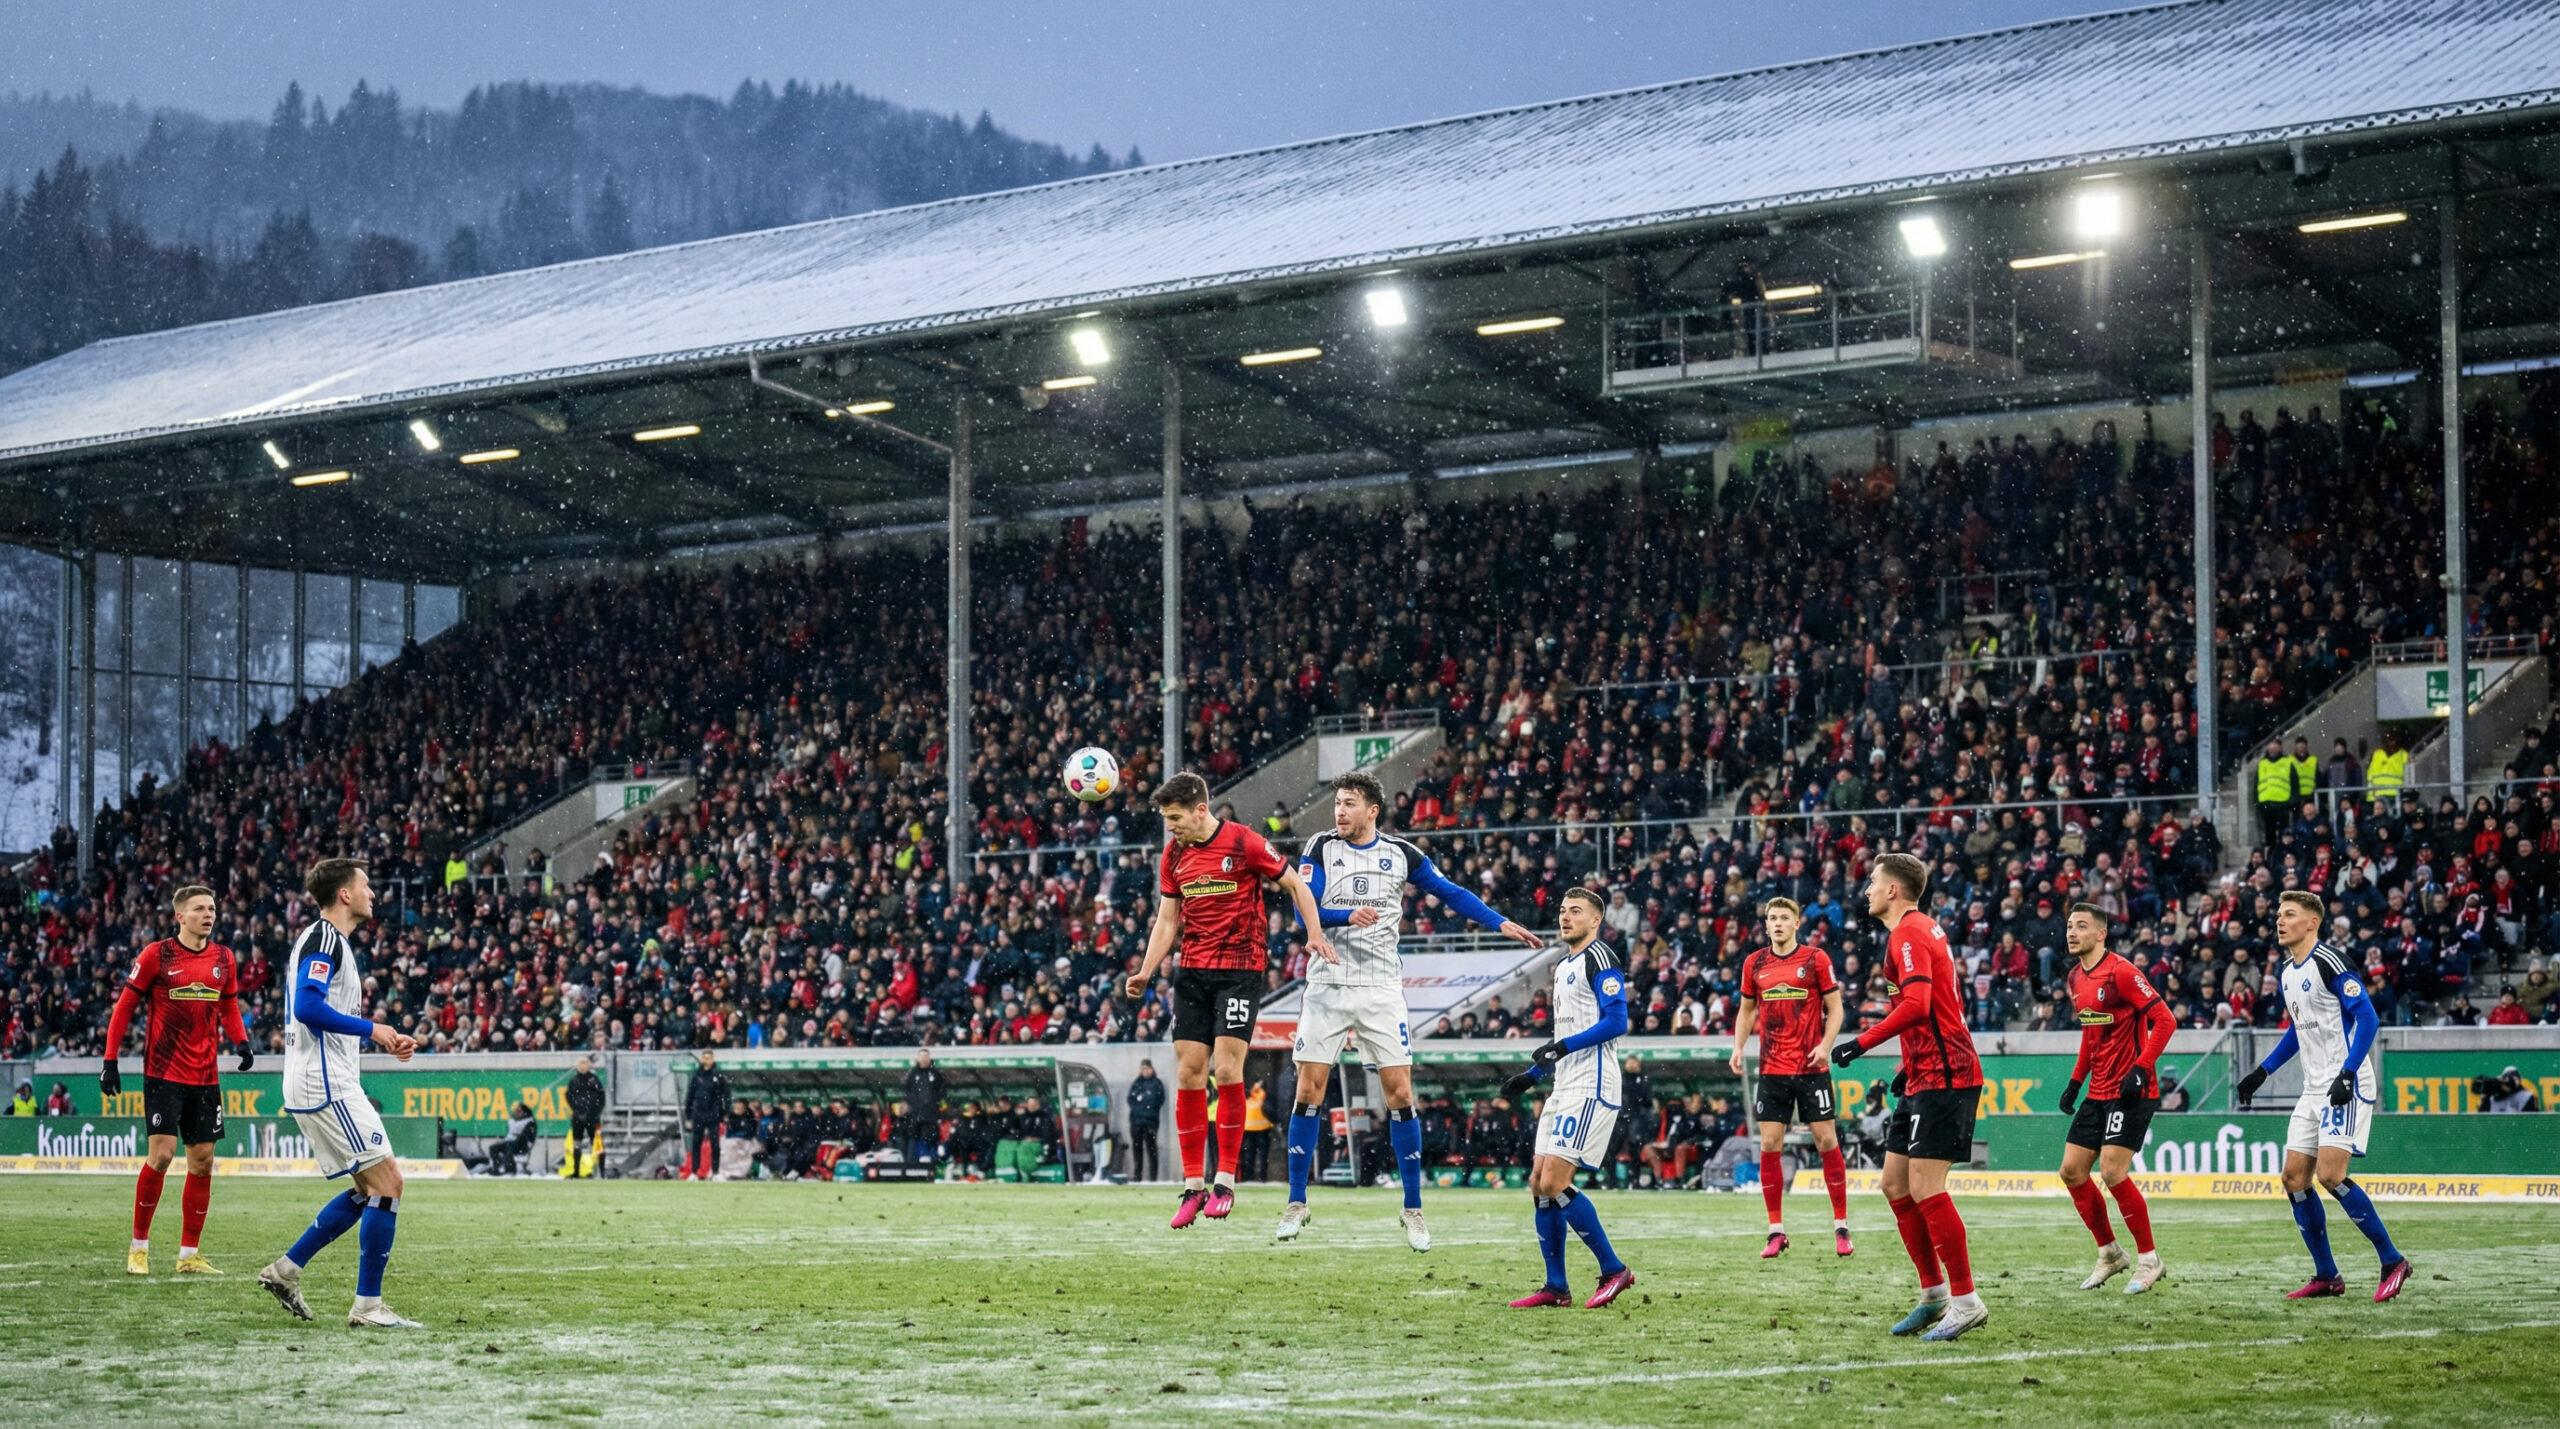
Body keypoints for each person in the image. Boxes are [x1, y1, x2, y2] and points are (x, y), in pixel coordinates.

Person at [1277, 772, 1540, 1249]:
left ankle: (1413, 1209)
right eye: (1337, 803)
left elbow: (1452, 893)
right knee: (1309, 1088)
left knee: (1399, 1094)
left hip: (1381, 988)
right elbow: (1303, 911)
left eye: (1349, 804)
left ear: (1372, 810)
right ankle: (1297, 1202)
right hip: (1328, 983)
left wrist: (1501, 923)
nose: (1339, 811)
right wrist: (1343, 916)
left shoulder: (1402, 854)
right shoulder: (1319, 846)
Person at [1123, 770, 1335, 1229]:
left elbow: (1295, 883)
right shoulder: (1174, 854)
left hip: (1240, 970)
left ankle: (1225, 1181)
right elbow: (1166, 921)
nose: (1171, 827)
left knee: (1227, 1068)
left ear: (1201, 809)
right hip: (1193, 971)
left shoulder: (1245, 843)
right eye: (1166, 819)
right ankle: (1192, 1186)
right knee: (1187, 1071)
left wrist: (1313, 932)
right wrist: (1146, 968)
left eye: (1175, 817)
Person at [255, 857, 424, 1329]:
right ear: (345, 894)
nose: (373, 893)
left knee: (365, 1190)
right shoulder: (326, 938)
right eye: (366, 885)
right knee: (388, 1184)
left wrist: (379, 1039)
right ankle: (368, 1306)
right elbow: (308, 1007)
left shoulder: (329, 942)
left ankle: (286, 1270)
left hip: (320, 1078)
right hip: (325, 1082)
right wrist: (376, 1029)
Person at [1832, 850, 1989, 1342]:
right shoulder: (1920, 931)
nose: (1868, 890)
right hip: (1925, 1072)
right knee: (1895, 1185)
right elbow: (1936, 1006)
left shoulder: (1908, 933)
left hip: (1948, 1075)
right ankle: (1934, 1295)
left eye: (1873, 882)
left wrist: (1861, 1043)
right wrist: (1906, 1065)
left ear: (1893, 890)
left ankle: (1966, 1301)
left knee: (1927, 1188)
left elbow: (1919, 1006)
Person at [2234, 890, 2412, 1303]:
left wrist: (2348, 1073)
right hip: (2314, 1088)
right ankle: (2327, 1275)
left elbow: (2367, 1017)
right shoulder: (2287, 972)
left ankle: (2393, 1261)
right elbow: (2299, 1029)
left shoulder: (2329, 962)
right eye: (2279, 914)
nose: (2279, 921)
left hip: (2345, 1081)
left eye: (2289, 914)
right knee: (2294, 1178)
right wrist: (2262, 1072)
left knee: (2330, 1175)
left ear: (2311, 922)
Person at [100, 883, 252, 1276]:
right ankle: (138, 1248)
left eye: (213, 908)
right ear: (180, 916)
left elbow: (229, 1005)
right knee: (163, 1155)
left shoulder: (224, 958)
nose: (209, 915)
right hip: (164, 1073)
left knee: (202, 1163)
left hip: (205, 1076)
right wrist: (110, 1059)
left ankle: (189, 1255)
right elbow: (124, 1008)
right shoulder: (158, 954)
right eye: (200, 908)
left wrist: (242, 1042)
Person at [1500, 886, 1635, 1309]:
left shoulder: (1601, 957)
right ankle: (1556, 1286)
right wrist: (1536, 1073)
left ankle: (1614, 1269)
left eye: (1576, 911)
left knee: (1557, 1182)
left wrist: (1563, 1049)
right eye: (1562, 910)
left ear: (1596, 920)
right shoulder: (1563, 966)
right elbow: (1563, 1037)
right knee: (1540, 1186)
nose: (1566, 917)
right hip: (1564, 1084)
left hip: (1593, 1083)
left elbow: (1618, 1021)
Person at [2054, 903, 2175, 1294]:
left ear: (2101, 933)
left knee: (2111, 1171)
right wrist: (2076, 1082)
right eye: (2070, 926)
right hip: (2098, 1089)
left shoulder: (2122, 971)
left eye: (2081, 926)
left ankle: (2149, 1259)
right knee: (2071, 1171)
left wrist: (2142, 1066)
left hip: (2132, 1090)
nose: (2072, 932)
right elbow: (2092, 1033)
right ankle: (2109, 1253)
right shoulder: (2075, 977)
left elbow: (2165, 1020)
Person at [1730, 896, 1850, 1259]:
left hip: (1812, 1067)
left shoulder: (1816, 959)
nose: (1778, 923)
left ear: (1798, 923)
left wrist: (1826, 1046)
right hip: (1772, 1068)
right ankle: (1776, 1231)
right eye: (1772, 917)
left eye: (1784, 917)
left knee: (1826, 1139)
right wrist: (1738, 1047)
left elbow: (1836, 1008)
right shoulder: (1755, 963)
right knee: (1769, 1144)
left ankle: (1841, 1226)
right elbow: (1746, 1010)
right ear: (1766, 925)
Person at [682, 1050, 730, 1181]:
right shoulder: (696, 1076)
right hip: (698, 1114)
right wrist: (688, 1116)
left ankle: (715, 1172)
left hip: (713, 1114)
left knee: (715, 1144)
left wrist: (725, 1113)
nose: (706, 1060)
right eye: (704, 1058)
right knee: (696, 1144)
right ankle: (694, 1172)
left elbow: (726, 1096)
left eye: (709, 1058)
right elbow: (690, 1097)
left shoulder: (719, 1076)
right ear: (702, 1060)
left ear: (713, 1059)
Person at [560, 1055, 606, 1179]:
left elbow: (601, 1098)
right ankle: (576, 1171)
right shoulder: (573, 1081)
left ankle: (602, 1172)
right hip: (577, 1117)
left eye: (585, 1063)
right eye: (580, 1063)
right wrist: (577, 1111)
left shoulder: (594, 1080)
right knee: (577, 1144)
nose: (583, 1065)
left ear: (589, 1065)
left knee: (598, 1144)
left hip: (593, 1117)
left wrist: (593, 1112)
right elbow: (569, 1097)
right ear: (577, 1065)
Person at [903, 1050, 946, 1165]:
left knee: (930, 1136)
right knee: (913, 1136)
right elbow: (906, 1092)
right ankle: (912, 1164)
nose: (923, 1059)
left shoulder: (935, 1073)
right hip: (915, 1113)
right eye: (921, 1057)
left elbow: (942, 1090)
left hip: (931, 1114)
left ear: (929, 1058)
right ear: (917, 1059)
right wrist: (915, 1104)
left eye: (926, 1057)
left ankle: (930, 1162)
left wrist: (932, 1102)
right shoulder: (912, 1074)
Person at [1126, 1059, 1165, 1182]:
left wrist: (1149, 1110)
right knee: (1137, 1151)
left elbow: (1160, 1100)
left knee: (1152, 1150)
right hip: (1136, 1123)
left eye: (1147, 1068)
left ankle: (1153, 1178)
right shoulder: (1137, 1083)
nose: (1145, 1071)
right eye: (1143, 1069)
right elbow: (1130, 1099)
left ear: (1152, 1069)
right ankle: (1138, 1177)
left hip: (1151, 1123)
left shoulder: (1157, 1083)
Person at [1240, 1081, 1273, 1182]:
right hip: (1262, 1129)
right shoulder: (1263, 1096)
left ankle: (1248, 1177)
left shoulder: (1251, 1096)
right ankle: (1261, 1177)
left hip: (1250, 1129)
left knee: (1249, 1154)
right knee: (1261, 1155)